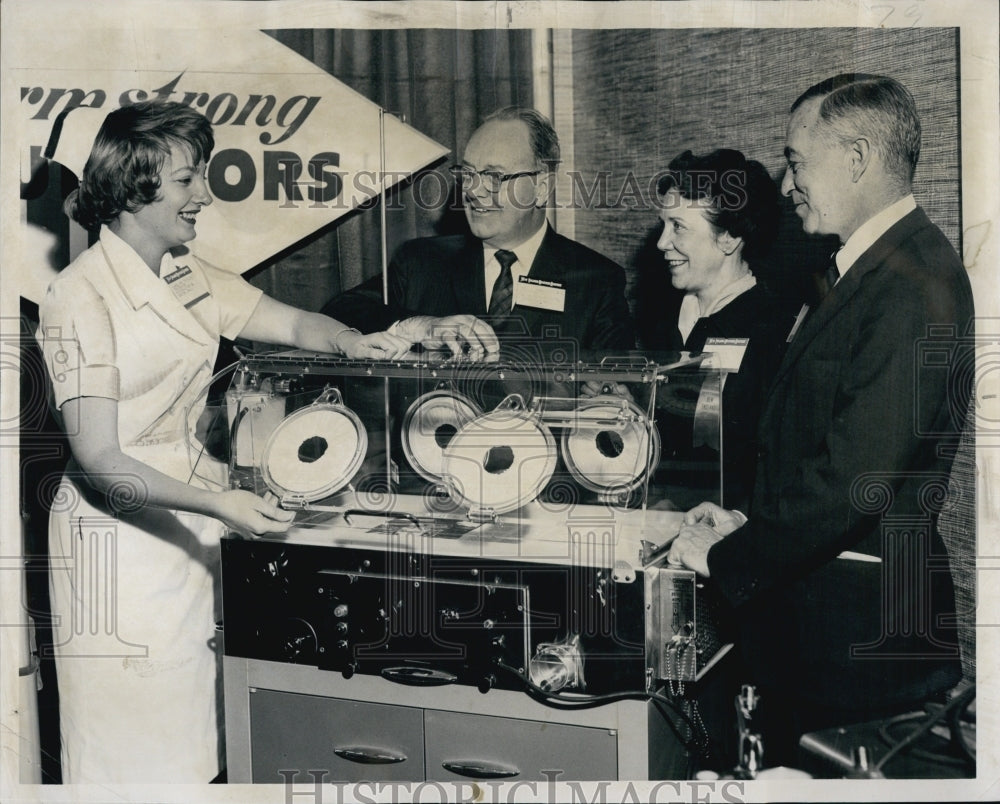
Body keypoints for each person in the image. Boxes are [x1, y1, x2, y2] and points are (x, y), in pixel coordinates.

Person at [36, 100, 414, 783]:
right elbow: (101, 463)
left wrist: (361, 342)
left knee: (203, 744)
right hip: (116, 552)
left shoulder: (185, 272)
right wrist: (224, 506)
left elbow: (295, 326)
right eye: (187, 180)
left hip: (191, 527)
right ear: (132, 185)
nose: (203, 195)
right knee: (132, 761)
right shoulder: (78, 297)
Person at [667, 74, 973, 765]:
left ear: (857, 159)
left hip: (860, 649)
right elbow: (822, 446)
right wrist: (751, 522)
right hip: (822, 634)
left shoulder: (912, 285)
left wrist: (725, 555)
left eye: (798, 160)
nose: (786, 181)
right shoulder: (871, 272)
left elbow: (854, 480)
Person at [321, 106, 634, 358]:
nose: (473, 190)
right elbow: (339, 312)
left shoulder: (596, 281)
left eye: (494, 177)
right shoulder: (421, 262)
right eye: (467, 174)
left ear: (541, 186)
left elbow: (616, 392)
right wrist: (420, 327)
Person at [647, 148, 792, 509]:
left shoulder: (774, 332)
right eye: (663, 225)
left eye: (678, 227)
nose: (662, 242)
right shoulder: (660, 316)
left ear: (729, 237)